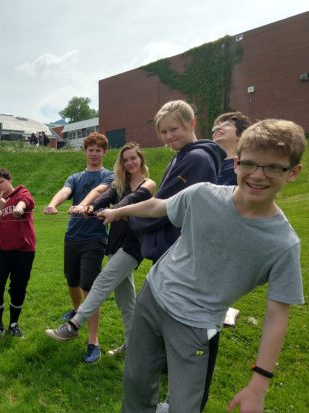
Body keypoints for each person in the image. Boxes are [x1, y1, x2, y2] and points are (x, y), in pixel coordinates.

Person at [98, 119, 305, 413]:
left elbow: (276, 316)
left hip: (196, 325)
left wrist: (258, 384)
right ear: (236, 165)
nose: (258, 175)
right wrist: (118, 211)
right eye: (250, 164)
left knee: (186, 406)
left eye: (273, 167)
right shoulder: (203, 194)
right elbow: (159, 206)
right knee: (136, 385)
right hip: (153, 297)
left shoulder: (283, 243)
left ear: (293, 172)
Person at [127, 100, 226, 412]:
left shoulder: (196, 158)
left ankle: (179, 402)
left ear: (192, 123)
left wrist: (134, 220)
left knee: (187, 336)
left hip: (185, 259)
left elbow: (169, 207)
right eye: (163, 132)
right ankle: (174, 399)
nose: (169, 137)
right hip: (178, 258)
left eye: (174, 129)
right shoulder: (183, 156)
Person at [45, 142, 156, 357]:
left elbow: (129, 201)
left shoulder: (148, 184)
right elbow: (104, 196)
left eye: (133, 158)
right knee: (126, 302)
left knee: (101, 282)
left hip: (133, 247)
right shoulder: (120, 182)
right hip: (115, 245)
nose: (130, 162)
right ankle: (133, 346)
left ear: (141, 159)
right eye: (125, 159)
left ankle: (74, 325)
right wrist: (90, 207)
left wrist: (111, 211)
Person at [43, 132, 114, 363]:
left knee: (89, 288)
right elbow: (65, 191)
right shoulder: (75, 176)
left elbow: (99, 192)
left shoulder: (109, 175)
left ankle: (93, 341)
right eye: (90, 149)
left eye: (98, 150)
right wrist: (53, 204)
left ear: (104, 152)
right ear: (85, 151)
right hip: (72, 236)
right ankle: (77, 311)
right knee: (71, 280)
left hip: (94, 239)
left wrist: (84, 206)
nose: (94, 153)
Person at [0, 168, 36, 340]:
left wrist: (19, 209)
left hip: (24, 250)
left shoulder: (21, 191)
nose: (0, 186)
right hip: (1, 250)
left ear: (9, 179)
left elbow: (26, 201)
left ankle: (14, 324)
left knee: (18, 288)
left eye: (2, 181)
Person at [212, 111, 252, 185]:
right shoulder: (208, 163)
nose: (218, 128)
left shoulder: (246, 166)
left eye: (226, 125)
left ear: (241, 135)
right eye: (216, 127)